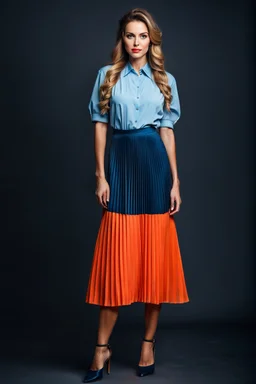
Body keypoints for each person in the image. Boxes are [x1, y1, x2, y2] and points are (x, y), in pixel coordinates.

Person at [83, 7, 189, 382]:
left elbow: (167, 132)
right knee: (117, 259)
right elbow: (99, 126)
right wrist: (101, 175)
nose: (136, 43)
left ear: (151, 40)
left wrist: (174, 181)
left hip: (155, 169)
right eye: (130, 36)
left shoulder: (164, 80)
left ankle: (147, 343)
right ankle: (101, 348)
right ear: (122, 40)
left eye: (142, 36)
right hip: (122, 168)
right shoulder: (107, 77)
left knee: (154, 262)